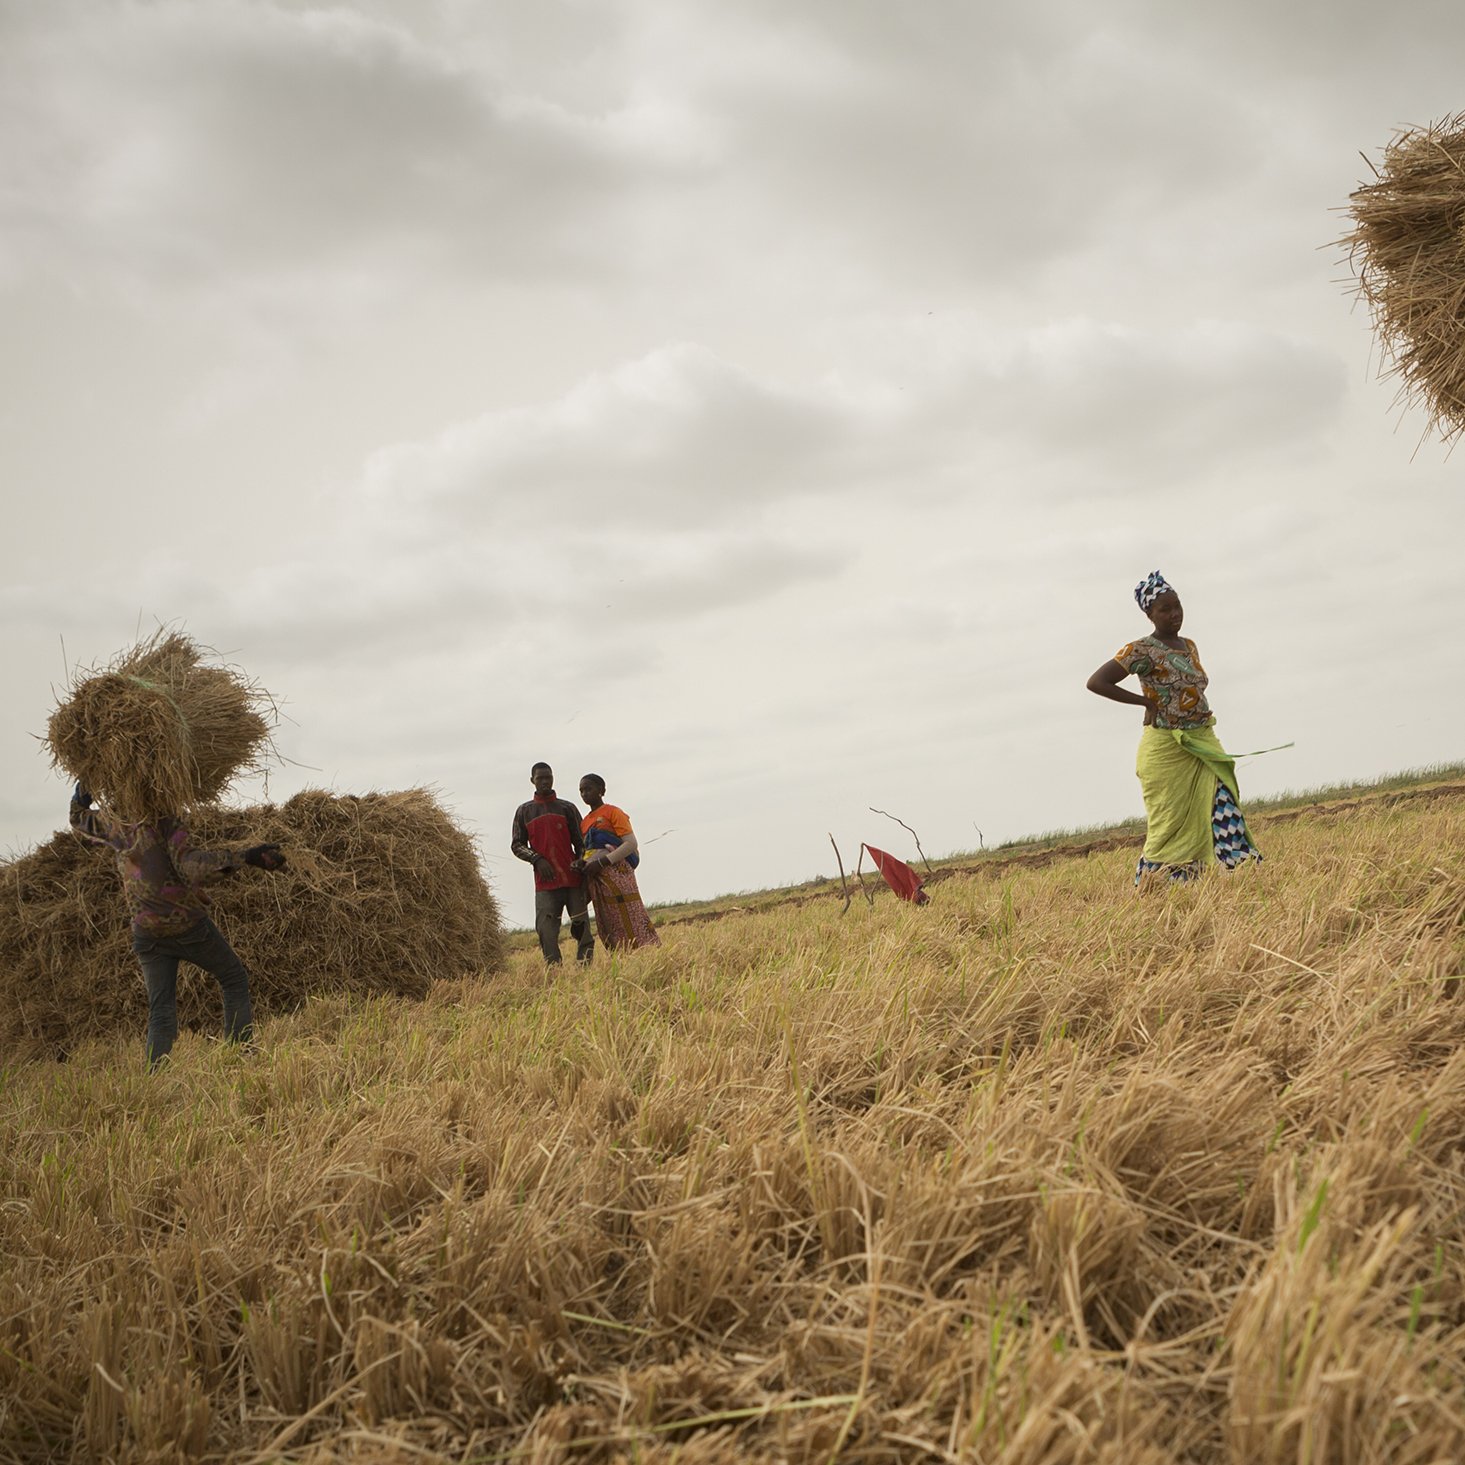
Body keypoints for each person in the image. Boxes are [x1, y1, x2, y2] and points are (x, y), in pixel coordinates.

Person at [69, 784, 287, 1067]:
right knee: (233, 978)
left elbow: (78, 818)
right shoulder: (165, 820)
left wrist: (82, 793)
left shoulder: (119, 823)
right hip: (185, 926)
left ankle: (155, 1079)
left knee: (161, 1010)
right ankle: (240, 1056)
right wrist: (246, 857)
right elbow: (192, 868)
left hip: (146, 932)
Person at [1086, 572, 1262, 884]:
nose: (1174, 614)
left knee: (1223, 803)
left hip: (1202, 742)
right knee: (1170, 823)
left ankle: (1235, 875)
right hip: (1166, 751)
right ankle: (1159, 885)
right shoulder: (1140, 650)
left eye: (1177, 606)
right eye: (1165, 609)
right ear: (1149, 614)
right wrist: (1146, 703)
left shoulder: (1189, 646)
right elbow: (1097, 682)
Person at [511, 762, 592, 965]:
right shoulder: (524, 811)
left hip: (573, 880)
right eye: (540, 778)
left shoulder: (567, 808)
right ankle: (554, 972)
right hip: (545, 883)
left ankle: (586, 969)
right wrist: (536, 859)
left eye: (548, 777)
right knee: (546, 932)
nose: (545, 781)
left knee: (582, 928)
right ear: (532, 781)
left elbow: (582, 843)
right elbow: (517, 845)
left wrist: (580, 861)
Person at [577, 774, 661, 950]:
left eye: (588, 789)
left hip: (618, 875)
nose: (584, 794)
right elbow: (587, 851)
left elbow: (630, 844)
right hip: (597, 878)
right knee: (608, 921)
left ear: (602, 791)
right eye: (581, 790)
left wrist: (602, 863)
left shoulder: (613, 812)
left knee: (632, 915)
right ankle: (621, 960)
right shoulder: (585, 822)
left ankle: (648, 954)